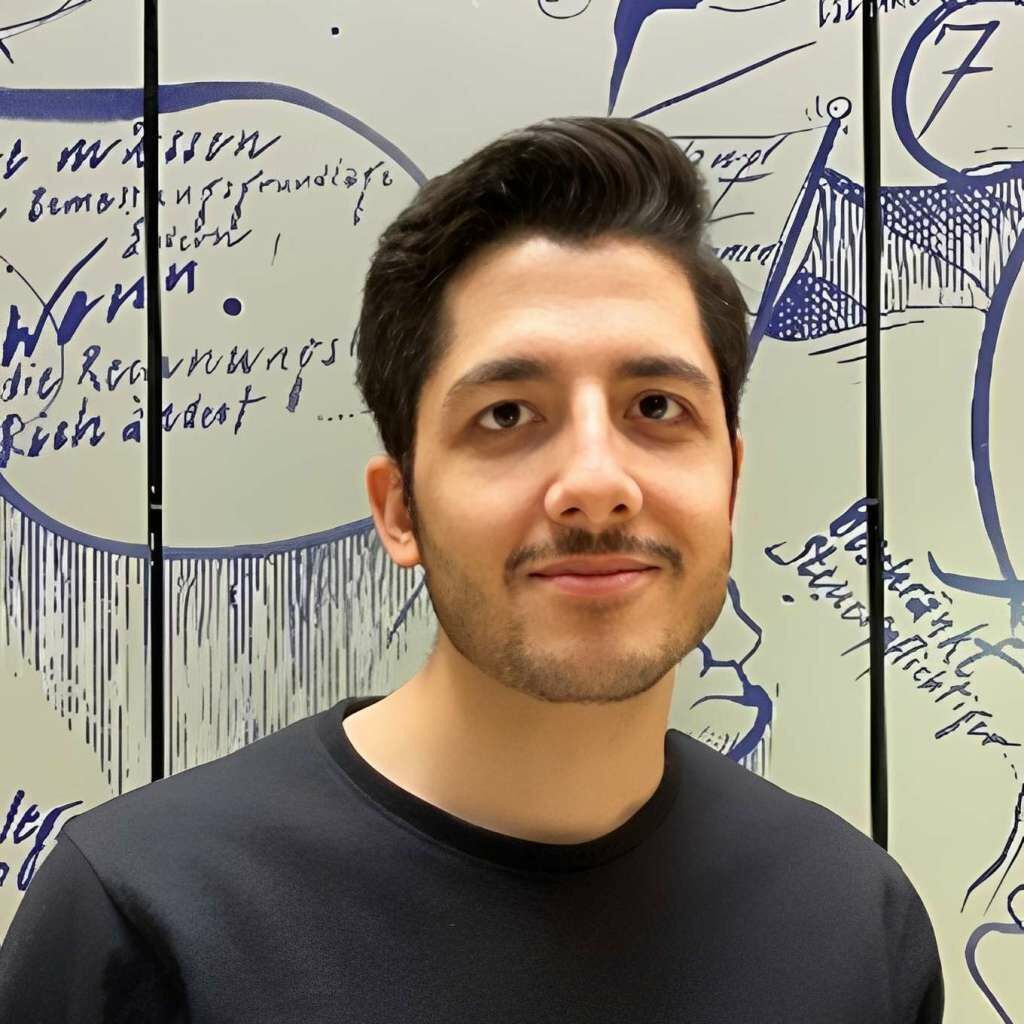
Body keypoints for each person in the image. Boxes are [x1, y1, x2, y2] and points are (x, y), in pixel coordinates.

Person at [0, 116, 944, 1022]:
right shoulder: (147, 922)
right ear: (400, 509)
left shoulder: (854, 924)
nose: (596, 484)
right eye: (506, 415)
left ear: (729, 482)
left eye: (657, 407)